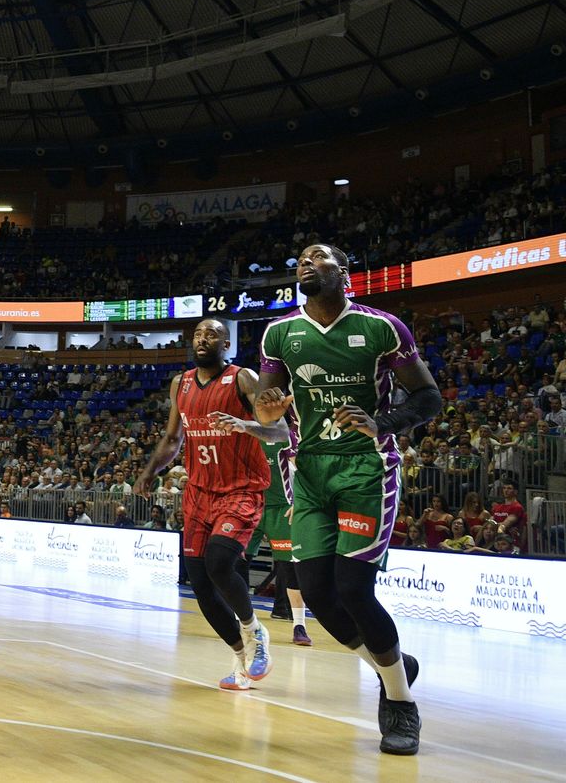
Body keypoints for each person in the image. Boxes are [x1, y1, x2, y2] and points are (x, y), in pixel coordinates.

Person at [249, 244, 439, 756]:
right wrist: (267, 415)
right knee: (316, 592)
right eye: (300, 261)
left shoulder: (382, 327)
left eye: (317, 258)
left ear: (343, 272)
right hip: (307, 472)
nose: (305, 265)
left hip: (365, 469)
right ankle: (393, 664)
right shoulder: (279, 333)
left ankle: (400, 703)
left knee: (354, 589)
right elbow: (268, 412)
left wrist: (386, 423)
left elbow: (429, 397)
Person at [135, 318, 276, 692]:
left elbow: (279, 430)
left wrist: (245, 426)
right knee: (201, 585)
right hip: (199, 492)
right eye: (198, 334)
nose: (203, 339)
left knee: (219, 562)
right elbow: (171, 438)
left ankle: (255, 630)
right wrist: (149, 472)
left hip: (241, 489)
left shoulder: (242, 379)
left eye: (212, 334)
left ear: (227, 344)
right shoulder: (179, 384)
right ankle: (241, 657)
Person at [249, 431, 313, 646]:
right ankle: (239, 618)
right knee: (234, 560)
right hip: (250, 505)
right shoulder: (247, 434)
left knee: (289, 566)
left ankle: (298, 624)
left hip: (281, 509)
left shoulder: (288, 437)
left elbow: (304, 472)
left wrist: (301, 501)